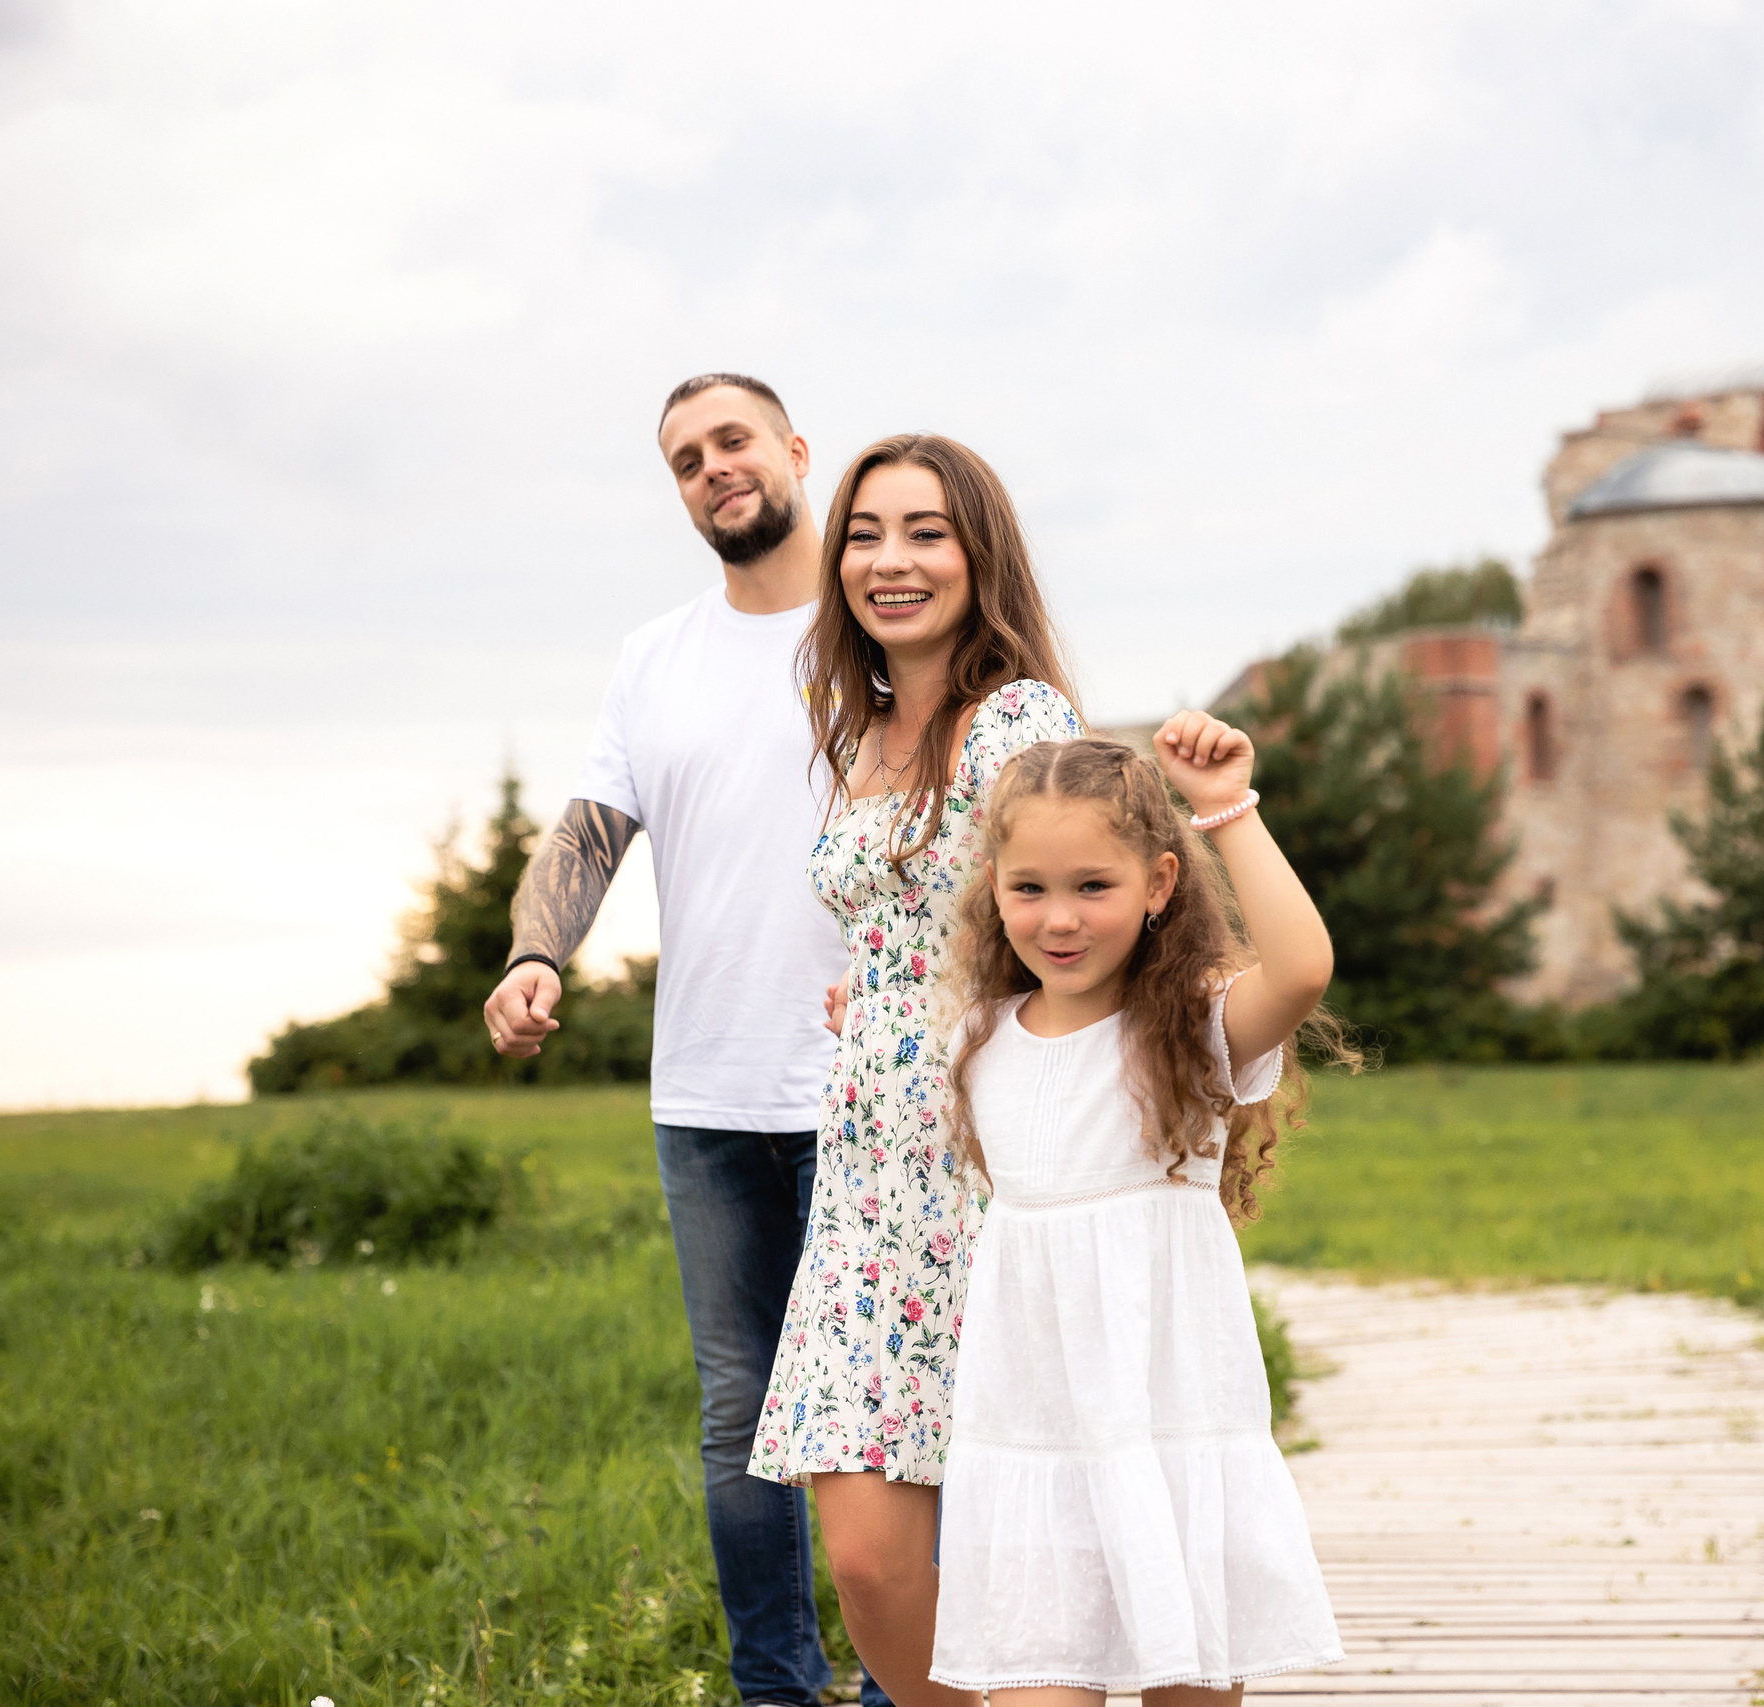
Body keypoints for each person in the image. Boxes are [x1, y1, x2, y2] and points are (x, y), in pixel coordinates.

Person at [482, 373, 887, 1707]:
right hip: (706, 1094)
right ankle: (775, 1680)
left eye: (732, 441)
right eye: (684, 459)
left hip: (873, 1090)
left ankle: (908, 1682)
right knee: (741, 1414)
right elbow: (593, 827)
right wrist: (538, 951)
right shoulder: (653, 654)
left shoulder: (884, 627)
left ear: (794, 452)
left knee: (886, 1411)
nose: (712, 468)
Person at [747, 433, 1084, 1706]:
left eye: (926, 532)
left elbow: (1068, 917)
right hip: (866, 1185)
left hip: (991, 1171)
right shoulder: (864, 731)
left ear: (977, 554)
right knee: (871, 1562)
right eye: (865, 534)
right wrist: (881, 993)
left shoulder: (1018, 721)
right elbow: (913, 918)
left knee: (1026, 1546)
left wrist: (960, 1006)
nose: (890, 561)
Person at [925, 724, 1357, 1704]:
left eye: (1094, 886)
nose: (1058, 918)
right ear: (994, 886)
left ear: (1160, 884)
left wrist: (1229, 809)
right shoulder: (980, 1039)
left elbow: (1298, 971)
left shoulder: (1190, 1029)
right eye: (1028, 887)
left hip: (1171, 1422)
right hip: (1037, 1434)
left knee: (1190, 1689)